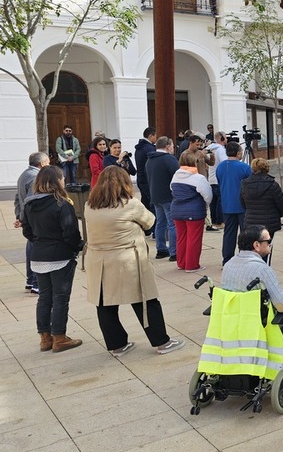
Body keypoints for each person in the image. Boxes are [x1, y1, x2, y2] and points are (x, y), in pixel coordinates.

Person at [84, 167, 185, 356]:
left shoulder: (90, 205)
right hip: (128, 260)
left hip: (99, 261)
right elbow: (150, 222)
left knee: (105, 304)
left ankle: (117, 345)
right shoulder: (130, 204)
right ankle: (161, 341)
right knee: (146, 300)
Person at [21, 165, 85, 352]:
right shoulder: (62, 204)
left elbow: (27, 231)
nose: (64, 181)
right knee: (60, 298)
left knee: (44, 298)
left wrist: (41, 242)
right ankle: (59, 337)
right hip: (60, 256)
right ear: (56, 181)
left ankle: (45, 338)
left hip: (39, 255)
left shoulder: (29, 204)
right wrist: (77, 247)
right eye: (62, 178)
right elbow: (70, 233)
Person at [222, 225, 283, 312]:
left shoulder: (228, 265)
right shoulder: (262, 270)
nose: (270, 244)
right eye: (268, 241)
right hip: (257, 321)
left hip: (233, 319)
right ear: (256, 245)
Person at [240, 157, 283, 265]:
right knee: (266, 249)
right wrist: (278, 215)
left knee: (252, 249)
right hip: (268, 223)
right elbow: (282, 204)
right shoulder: (272, 185)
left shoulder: (244, 184)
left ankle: (252, 270)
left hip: (251, 221)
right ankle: (263, 270)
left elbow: (242, 203)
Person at [171, 151, 213, 272]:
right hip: (194, 211)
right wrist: (205, 205)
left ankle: (182, 263)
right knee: (194, 238)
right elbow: (208, 195)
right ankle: (192, 265)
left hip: (177, 210)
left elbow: (172, 190)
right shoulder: (198, 178)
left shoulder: (176, 175)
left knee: (181, 237)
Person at [14, 152, 49, 295]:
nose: (49, 165)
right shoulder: (36, 177)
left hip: (28, 219)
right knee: (36, 250)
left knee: (31, 248)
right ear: (41, 164)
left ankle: (30, 281)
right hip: (34, 221)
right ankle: (36, 283)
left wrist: (19, 216)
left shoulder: (24, 174)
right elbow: (30, 201)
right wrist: (24, 219)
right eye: (47, 162)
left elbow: (17, 198)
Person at [217, 141, 252, 264]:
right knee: (245, 234)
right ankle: (245, 258)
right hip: (242, 205)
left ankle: (227, 259)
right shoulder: (245, 167)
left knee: (229, 233)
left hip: (226, 204)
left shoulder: (220, 167)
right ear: (238, 153)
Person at [146, 137, 180, 261]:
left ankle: (161, 249)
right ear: (167, 146)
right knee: (172, 225)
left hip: (155, 195)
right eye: (172, 145)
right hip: (168, 196)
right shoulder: (169, 159)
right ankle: (174, 252)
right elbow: (178, 175)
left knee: (160, 223)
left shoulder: (150, 160)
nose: (173, 148)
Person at [205, 132, 227, 231]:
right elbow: (224, 163)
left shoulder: (209, 148)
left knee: (213, 201)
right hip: (219, 179)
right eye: (225, 137)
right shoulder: (220, 150)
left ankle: (214, 220)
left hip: (211, 178)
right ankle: (220, 221)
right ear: (222, 138)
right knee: (220, 201)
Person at [135, 127, 157, 219]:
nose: (156, 138)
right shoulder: (149, 148)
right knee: (151, 204)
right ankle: (152, 226)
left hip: (141, 178)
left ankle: (147, 227)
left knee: (145, 202)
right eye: (155, 136)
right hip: (147, 180)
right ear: (151, 136)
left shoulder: (139, 147)